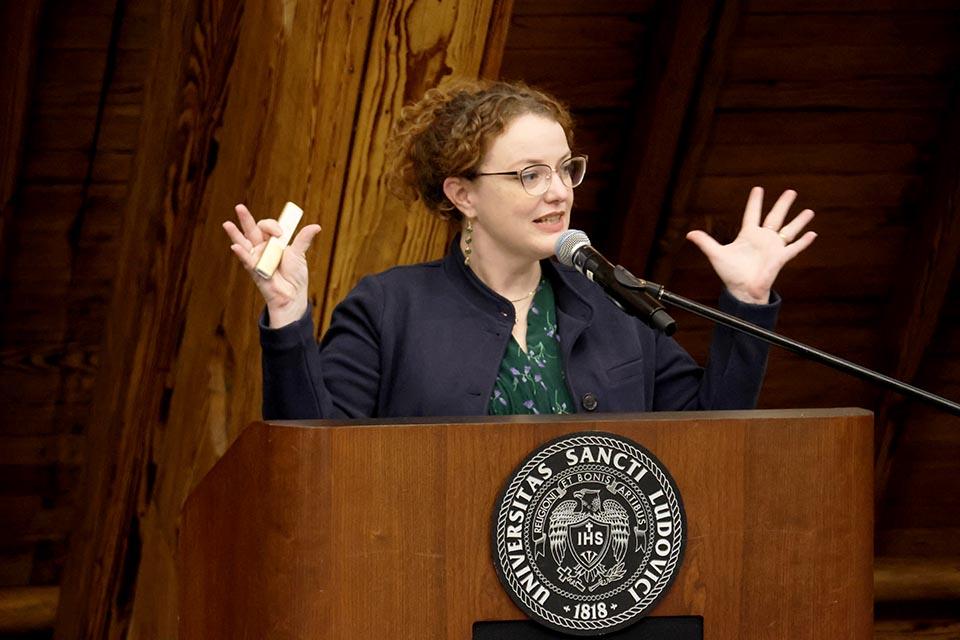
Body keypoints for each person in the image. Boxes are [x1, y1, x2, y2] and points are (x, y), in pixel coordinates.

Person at [222, 80, 816, 420]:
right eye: (530, 174)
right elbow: (308, 452)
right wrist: (288, 315)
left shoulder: (613, 307)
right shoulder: (387, 308)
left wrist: (747, 301)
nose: (558, 193)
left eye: (565, 170)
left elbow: (709, 440)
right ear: (464, 194)